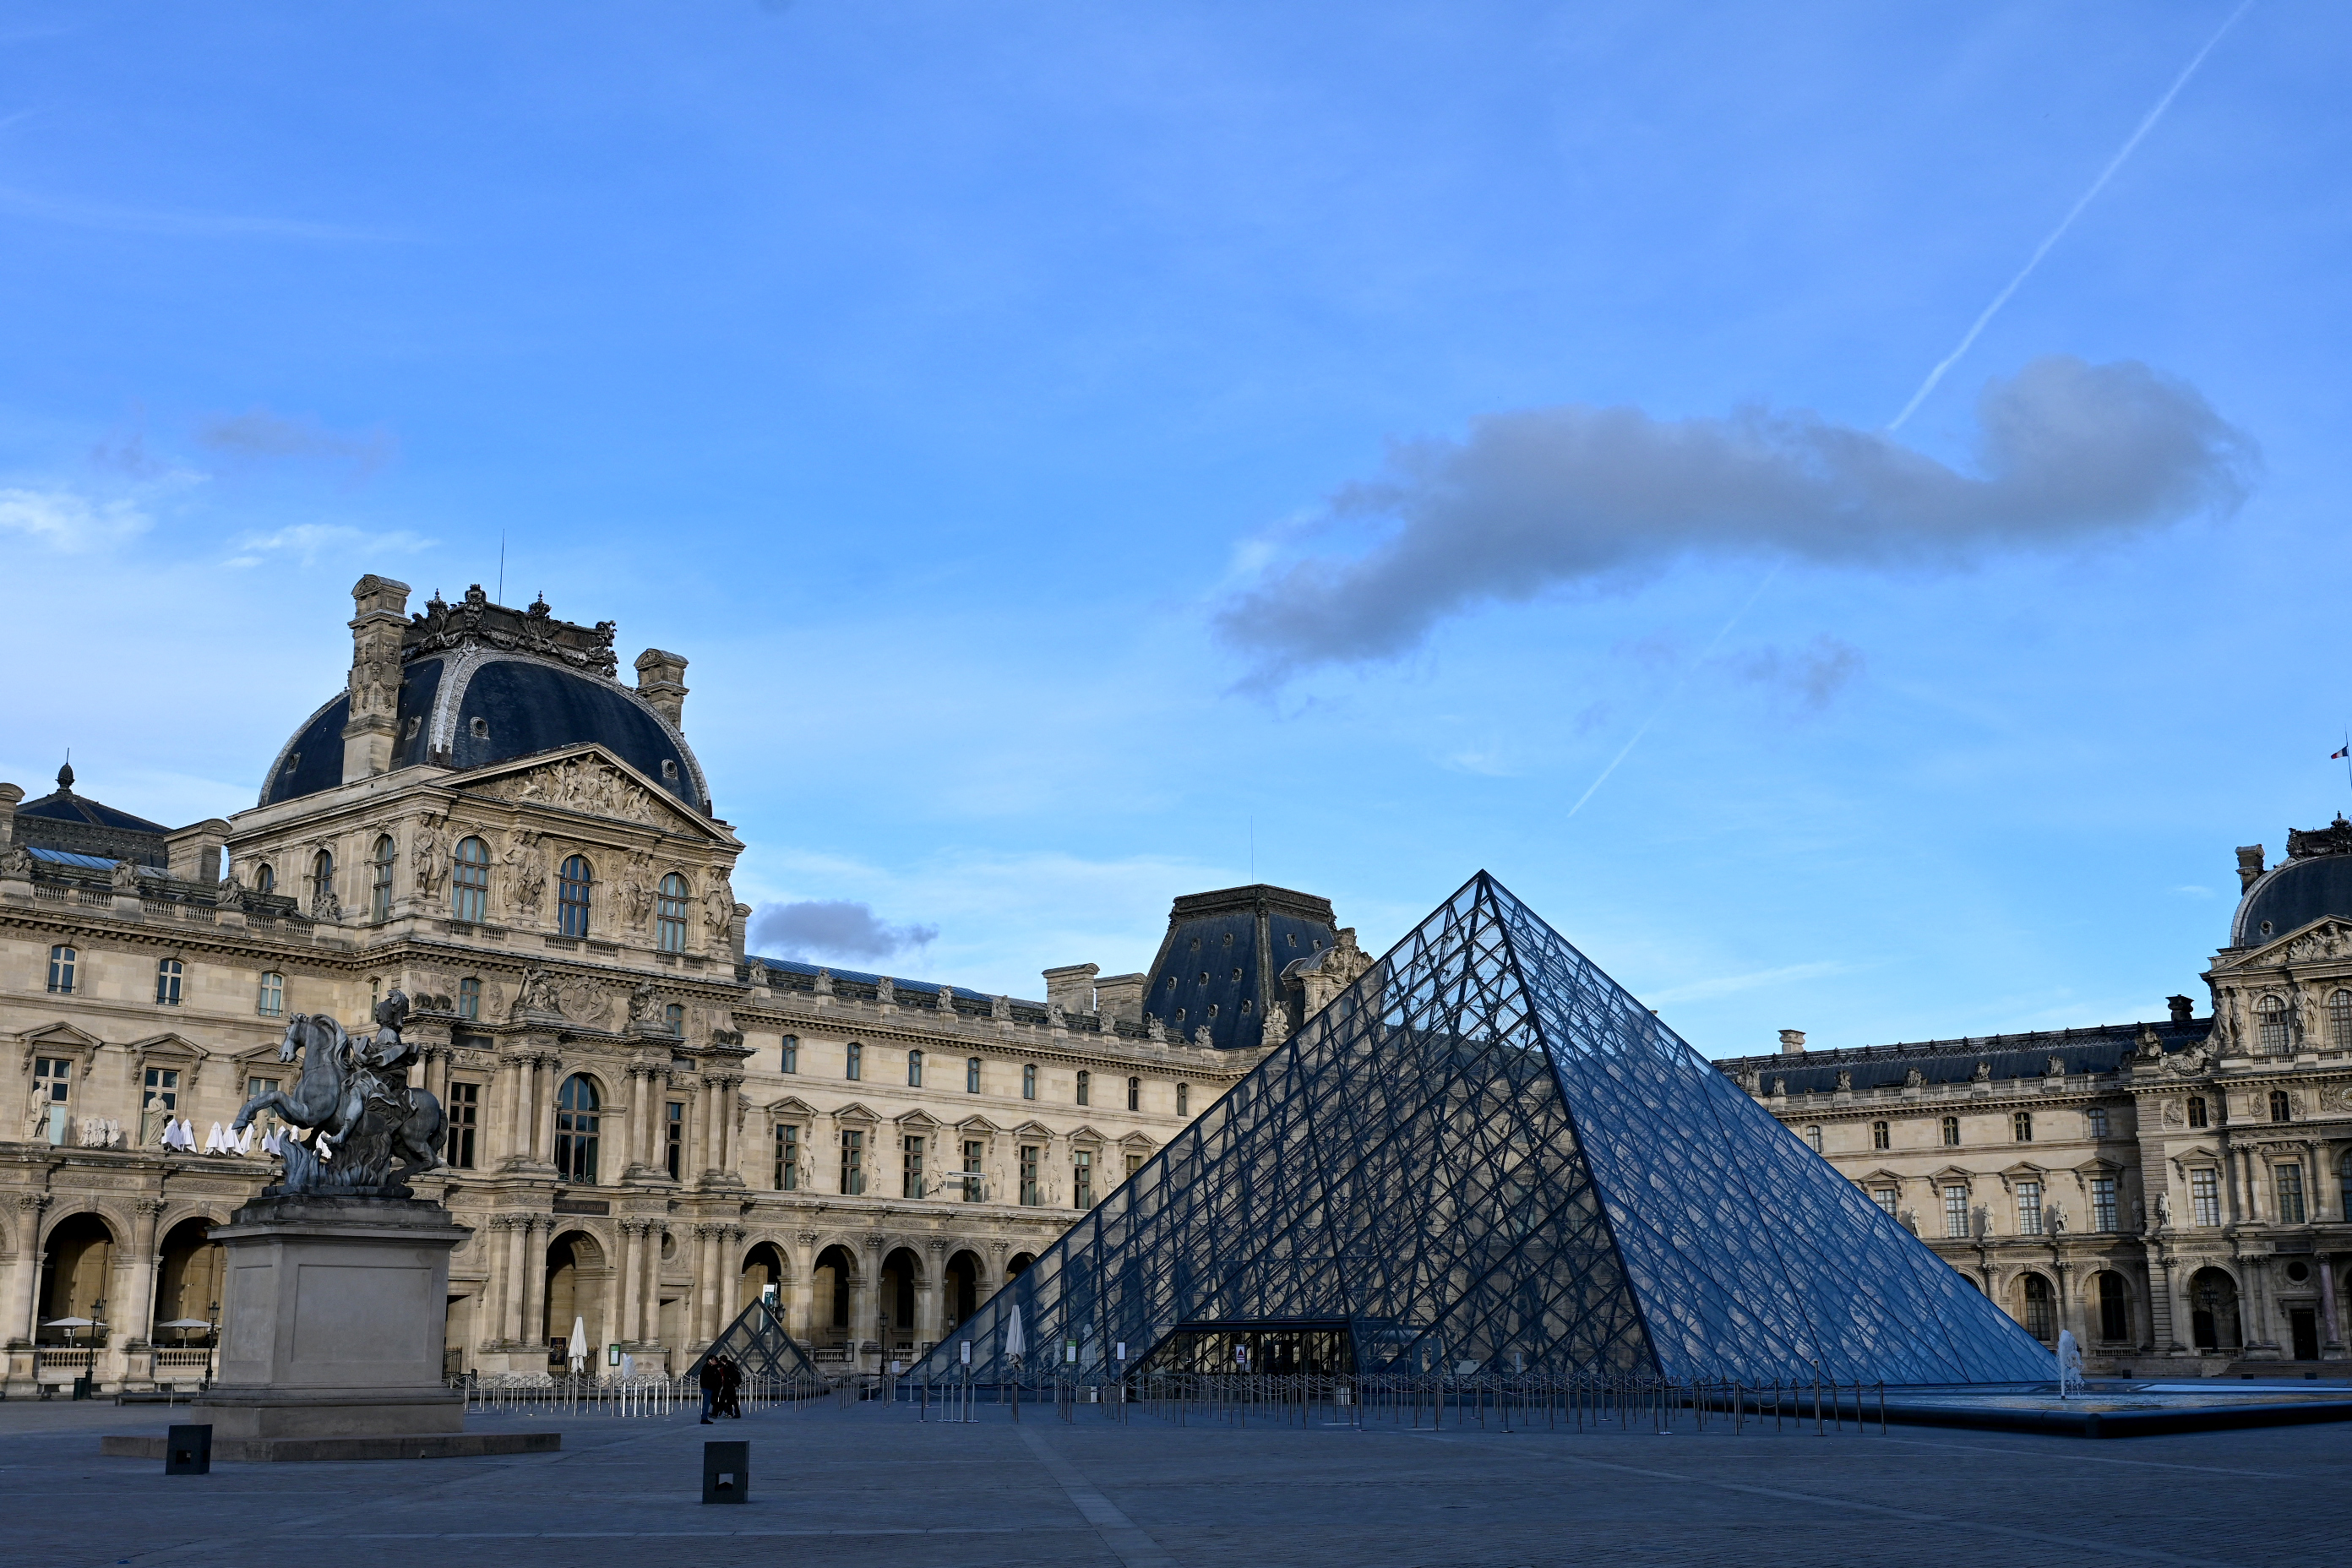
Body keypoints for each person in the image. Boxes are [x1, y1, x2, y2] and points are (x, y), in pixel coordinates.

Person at [699, 1351, 723, 1424]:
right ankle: (704, 1419)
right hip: (707, 1388)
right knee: (706, 1404)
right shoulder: (707, 1368)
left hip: (707, 1388)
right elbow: (711, 1378)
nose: (715, 1361)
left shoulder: (708, 1367)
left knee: (707, 1404)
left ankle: (704, 1418)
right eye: (713, 1360)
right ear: (710, 1361)